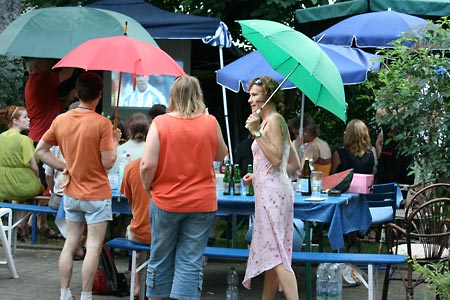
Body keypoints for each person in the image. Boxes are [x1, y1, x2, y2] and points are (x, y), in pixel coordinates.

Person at [140, 75, 228, 300]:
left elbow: (148, 164)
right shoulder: (210, 122)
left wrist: (147, 187)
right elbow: (221, 154)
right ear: (198, 95)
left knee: (160, 258)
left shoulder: (160, 123)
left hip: (166, 200)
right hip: (202, 203)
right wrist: (208, 122)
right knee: (190, 261)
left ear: (173, 95)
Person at [35, 72, 121, 300]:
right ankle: (85, 295)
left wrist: (64, 166)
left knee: (70, 242)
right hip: (96, 195)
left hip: (71, 192)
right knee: (92, 246)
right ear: (99, 95)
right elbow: (107, 162)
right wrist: (113, 140)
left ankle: (64, 293)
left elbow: (40, 151)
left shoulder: (61, 119)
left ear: (78, 92)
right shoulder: (102, 124)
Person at [242, 76, 301, 299]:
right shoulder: (274, 122)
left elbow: (277, 159)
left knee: (277, 253)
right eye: (251, 95)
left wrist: (256, 133)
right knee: (272, 252)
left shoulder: (273, 121)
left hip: (273, 195)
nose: (250, 100)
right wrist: (258, 176)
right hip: (272, 190)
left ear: (269, 96)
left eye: (255, 95)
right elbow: (293, 163)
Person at [0, 105, 44, 239]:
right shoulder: (24, 140)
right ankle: (22, 222)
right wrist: (38, 180)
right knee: (37, 192)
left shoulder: (1, 137)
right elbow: (34, 167)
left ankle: (17, 224)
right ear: (15, 121)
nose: (29, 120)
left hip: (3, 186)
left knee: (18, 194)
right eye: (25, 117)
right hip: (21, 185)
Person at [120, 157, 151, 297]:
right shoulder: (175, 167)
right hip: (166, 234)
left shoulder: (131, 167)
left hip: (139, 233)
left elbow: (131, 204)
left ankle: (137, 283)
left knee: (134, 227)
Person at [375, 108, 414, 185]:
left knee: (405, 187)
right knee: (385, 187)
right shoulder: (382, 110)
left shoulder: (409, 107)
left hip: (404, 154)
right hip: (388, 156)